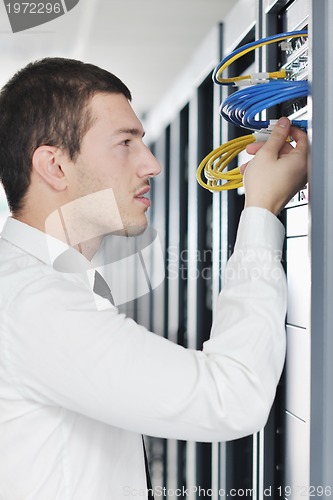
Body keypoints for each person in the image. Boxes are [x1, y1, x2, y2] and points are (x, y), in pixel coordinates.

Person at [0, 57, 307, 500]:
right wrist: (260, 212)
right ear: (55, 166)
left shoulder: (38, 285)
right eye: (126, 143)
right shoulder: (36, 303)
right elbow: (232, 397)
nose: (152, 165)